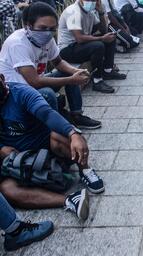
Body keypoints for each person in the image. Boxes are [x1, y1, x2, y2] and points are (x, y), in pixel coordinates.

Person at [0, 2, 102, 130]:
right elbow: (34, 82)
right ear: (28, 25)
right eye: (43, 28)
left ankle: (76, 116)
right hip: (16, 93)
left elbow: (58, 62)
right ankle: (54, 130)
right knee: (47, 94)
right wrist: (72, 79)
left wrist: (76, 71)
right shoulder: (17, 43)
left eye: (52, 28)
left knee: (69, 73)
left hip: (33, 84)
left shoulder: (46, 39)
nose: (48, 33)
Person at [0, 73, 105, 195]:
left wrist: (73, 134)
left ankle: (85, 169)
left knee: (60, 135)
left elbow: (47, 114)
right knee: (8, 190)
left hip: (42, 144)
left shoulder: (22, 93)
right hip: (12, 156)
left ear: (2, 78)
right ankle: (69, 201)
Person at [58, 0, 127, 94]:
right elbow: (79, 38)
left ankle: (108, 71)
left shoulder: (90, 12)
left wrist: (101, 12)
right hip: (68, 49)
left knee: (111, 37)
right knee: (98, 46)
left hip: (80, 45)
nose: (91, 2)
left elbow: (103, 29)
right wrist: (102, 38)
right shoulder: (73, 11)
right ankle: (97, 80)